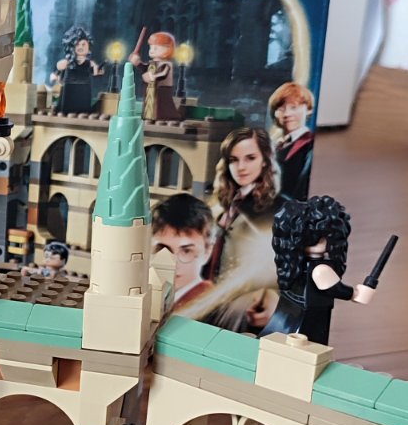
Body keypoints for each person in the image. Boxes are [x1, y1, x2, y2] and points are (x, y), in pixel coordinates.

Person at [262, 195, 374, 345]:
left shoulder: (291, 265)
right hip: (312, 315)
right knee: (312, 344)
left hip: (289, 313)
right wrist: (356, 294)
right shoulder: (321, 270)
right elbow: (335, 289)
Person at [204, 127, 285, 332]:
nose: (241, 167)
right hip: (213, 297)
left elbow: (283, 266)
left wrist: (272, 296)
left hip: (245, 305)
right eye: (234, 160)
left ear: (265, 160)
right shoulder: (226, 203)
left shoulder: (278, 209)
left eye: (250, 158)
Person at [151, 193, 214, 312]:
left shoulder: (211, 307)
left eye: (186, 251)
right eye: (163, 249)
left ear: (207, 252)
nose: (174, 263)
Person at [269, 81, 315, 202]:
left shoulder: (310, 145)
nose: (287, 114)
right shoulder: (275, 146)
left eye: (294, 107)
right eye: (281, 109)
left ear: (308, 109)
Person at [53, 25, 103, 115]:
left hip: (84, 89)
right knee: (66, 109)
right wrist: (59, 70)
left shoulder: (89, 63)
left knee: (83, 110)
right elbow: (59, 66)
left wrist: (98, 70)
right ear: (72, 46)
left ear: (89, 46)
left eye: (83, 44)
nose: (81, 47)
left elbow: (96, 71)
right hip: (70, 89)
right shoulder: (69, 62)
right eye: (77, 44)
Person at [142, 31, 181, 123]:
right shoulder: (152, 63)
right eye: (151, 47)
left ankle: (161, 116)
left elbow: (164, 74)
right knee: (150, 102)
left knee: (161, 103)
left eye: (155, 48)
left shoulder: (166, 64)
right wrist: (137, 62)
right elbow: (144, 68)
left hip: (162, 88)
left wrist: (154, 77)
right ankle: (149, 116)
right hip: (151, 88)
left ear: (168, 49)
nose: (151, 50)